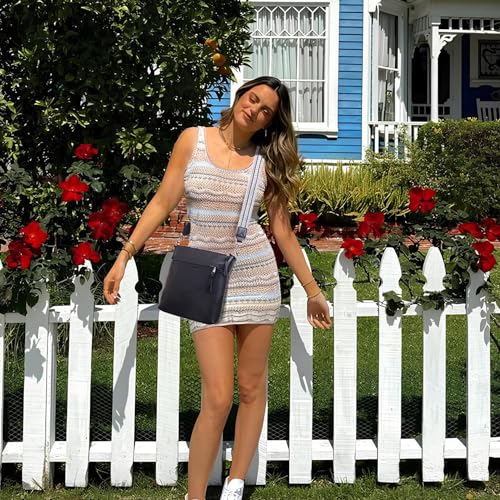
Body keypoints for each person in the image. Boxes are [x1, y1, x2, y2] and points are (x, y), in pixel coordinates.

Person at [103, 76, 331, 500]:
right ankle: (194, 496)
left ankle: (235, 483)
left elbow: (281, 231)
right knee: (219, 396)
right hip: (206, 282)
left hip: (256, 278)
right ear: (241, 95)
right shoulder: (193, 141)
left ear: (269, 122)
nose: (255, 110)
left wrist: (312, 290)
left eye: (266, 111)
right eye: (253, 99)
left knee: (252, 387)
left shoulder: (266, 160)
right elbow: (162, 201)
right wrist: (125, 255)